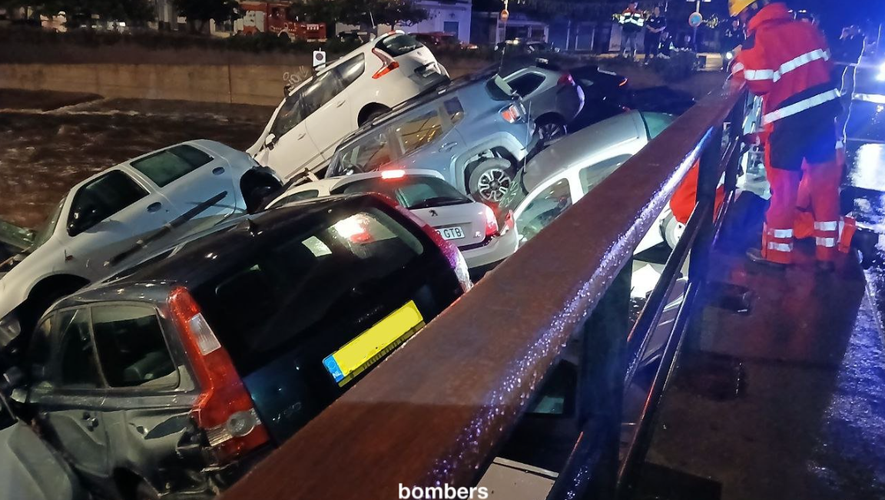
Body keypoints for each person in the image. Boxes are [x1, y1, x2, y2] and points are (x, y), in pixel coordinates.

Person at [729, 0, 843, 271]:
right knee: (825, 186)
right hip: (824, 117)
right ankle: (827, 255)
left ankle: (777, 255)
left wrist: (739, 62)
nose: (741, 20)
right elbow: (830, 66)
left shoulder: (758, 39)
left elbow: (759, 84)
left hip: (788, 124)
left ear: (751, 10)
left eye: (741, 14)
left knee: (783, 190)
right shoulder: (807, 27)